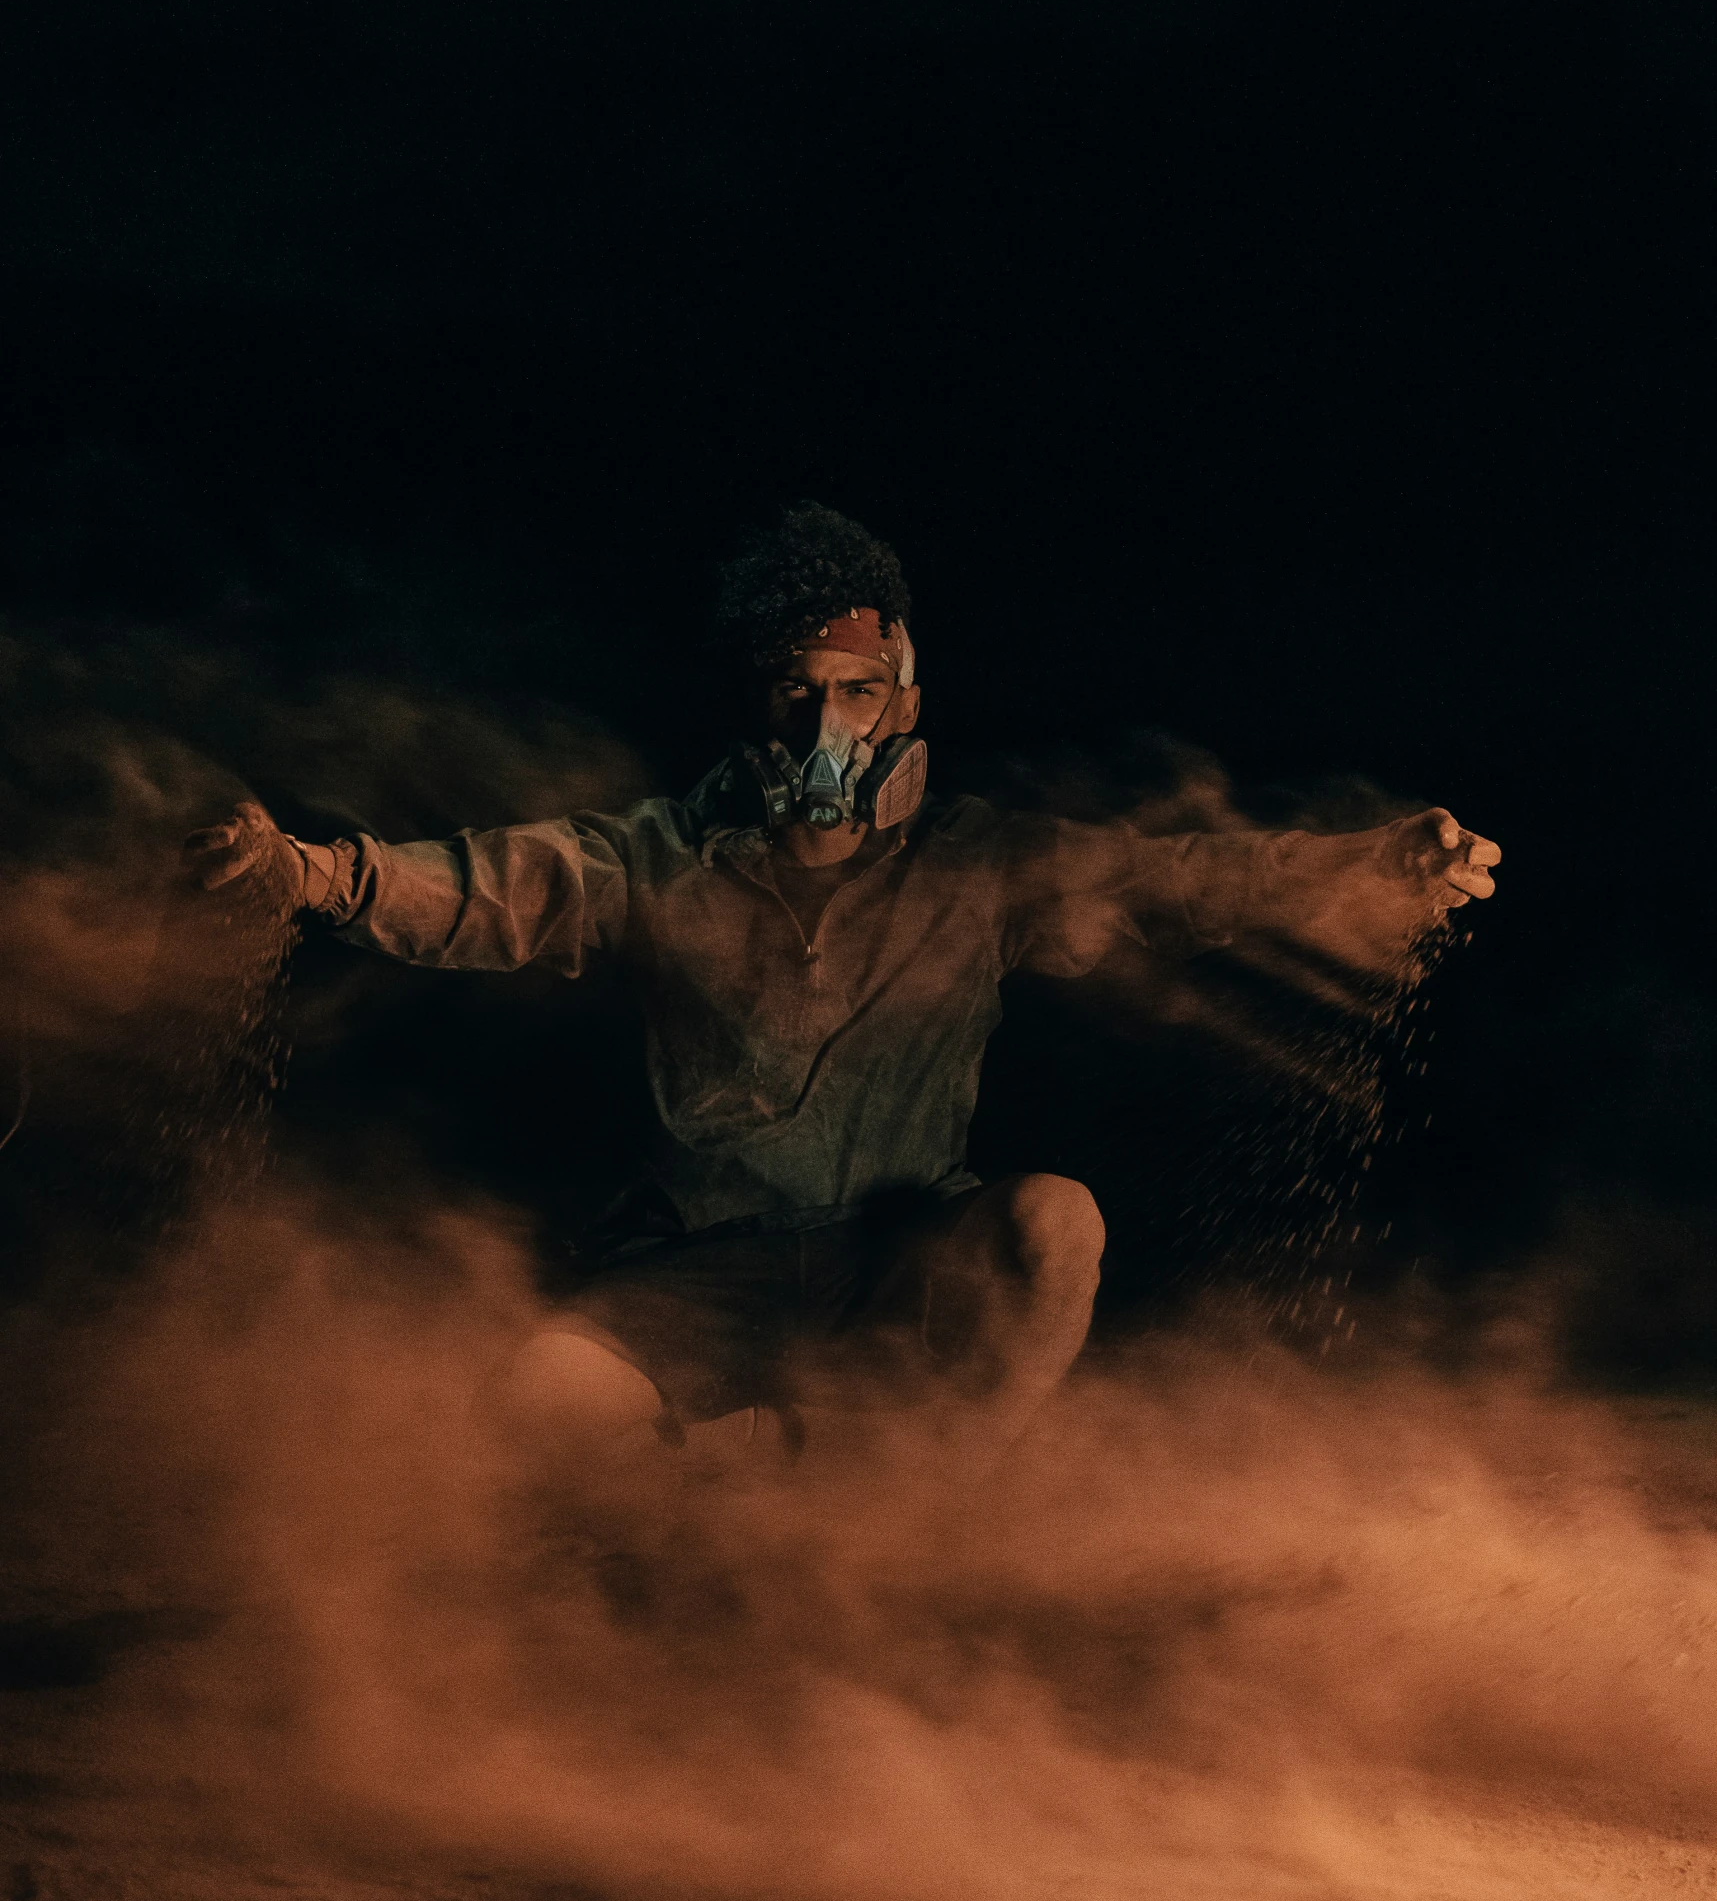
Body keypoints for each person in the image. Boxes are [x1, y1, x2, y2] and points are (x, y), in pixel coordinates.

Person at [184, 503, 1499, 1452]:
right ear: (754, 705)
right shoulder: (653, 858)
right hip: (685, 1278)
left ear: (903, 697)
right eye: (795, 694)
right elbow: (482, 885)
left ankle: (896, 1540)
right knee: (528, 1420)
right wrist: (301, 870)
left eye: (856, 693)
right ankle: (720, 1507)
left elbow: (1183, 880)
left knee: (1056, 1224)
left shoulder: (981, 866)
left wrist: (1367, 867)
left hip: (889, 1269)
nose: (825, 728)